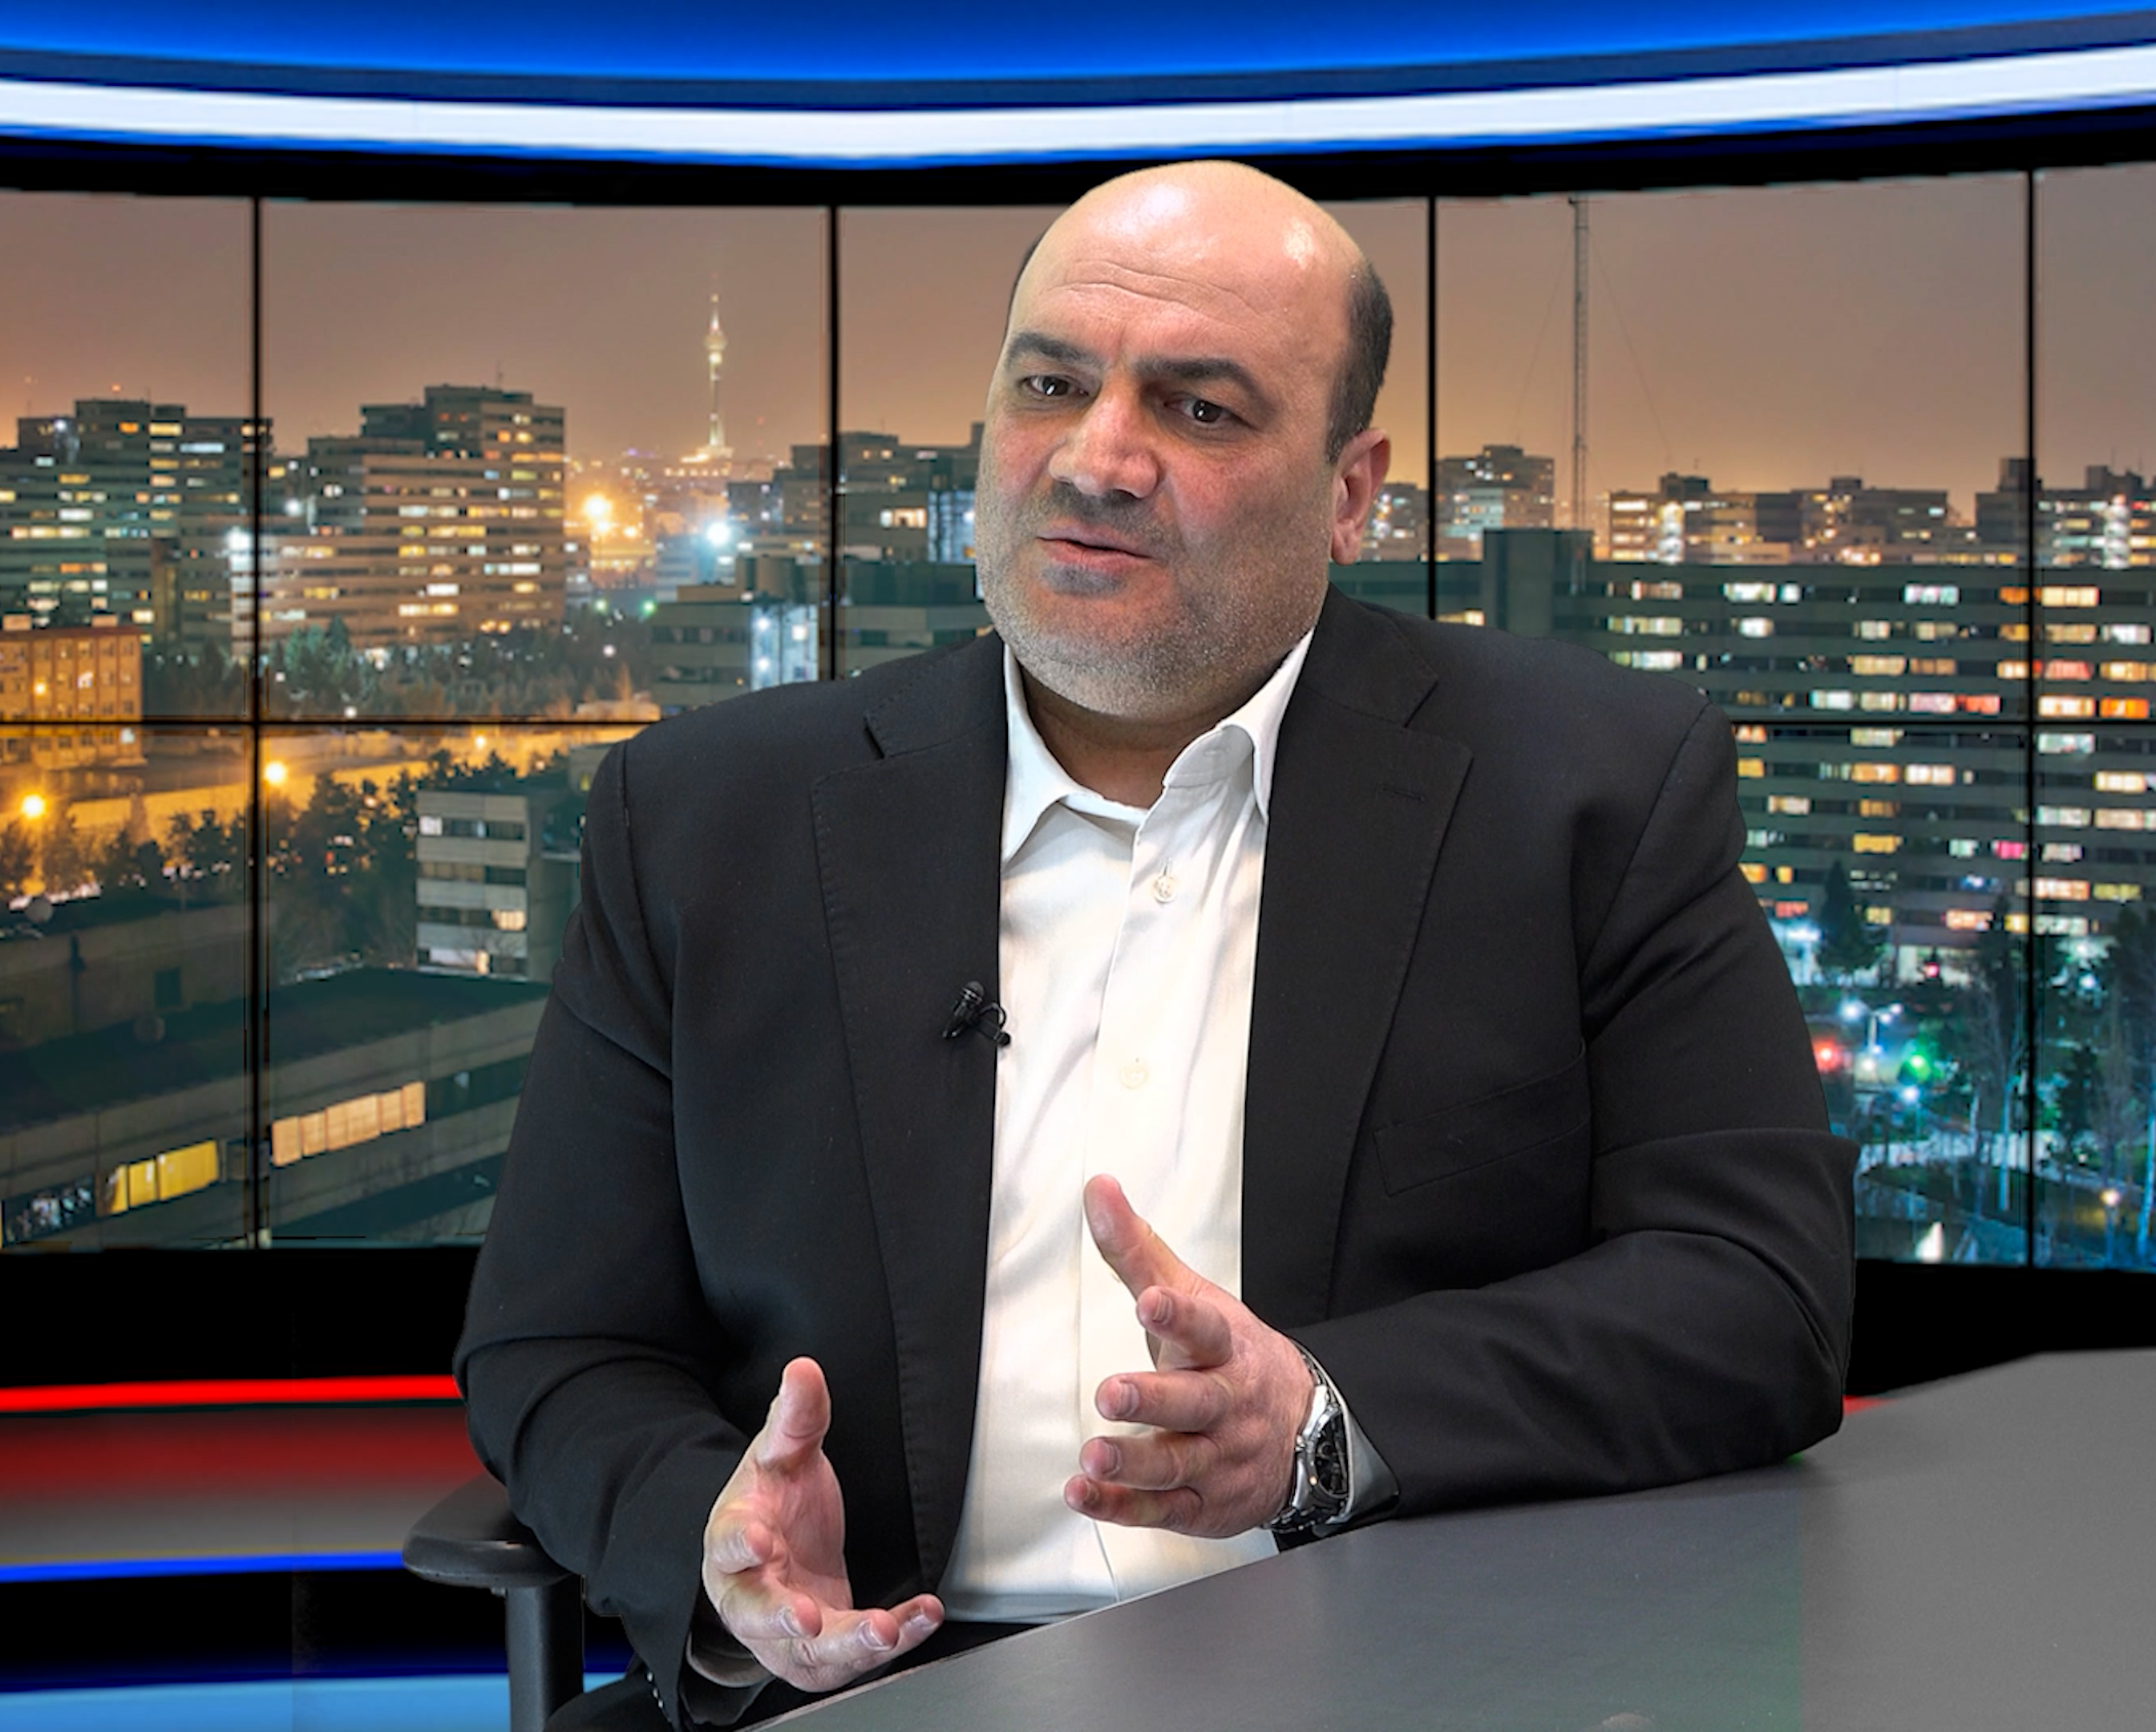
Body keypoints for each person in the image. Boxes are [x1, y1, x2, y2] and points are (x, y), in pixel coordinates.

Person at [458, 160, 1854, 1730]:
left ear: (1350, 488)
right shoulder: (707, 817)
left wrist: (1329, 1420)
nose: (1097, 460)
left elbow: (1757, 1296)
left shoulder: (1588, 793)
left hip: (1397, 1684)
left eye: (1199, 408)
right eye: (1051, 385)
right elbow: (556, 1345)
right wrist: (714, 1547)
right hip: (860, 1697)